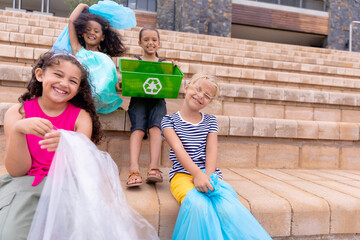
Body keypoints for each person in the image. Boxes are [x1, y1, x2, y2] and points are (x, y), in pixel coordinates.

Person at [0, 52, 102, 239]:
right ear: (40, 75)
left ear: (78, 89)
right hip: (26, 184)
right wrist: (18, 131)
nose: (64, 83)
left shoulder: (81, 117)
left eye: (73, 81)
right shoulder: (17, 113)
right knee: (11, 234)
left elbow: (79, 167)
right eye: (58, 74)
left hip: (66, 185)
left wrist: (69, 145)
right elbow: (17, 170)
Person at [161, 73, 272, 239]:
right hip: (182, 174)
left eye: (207, 95)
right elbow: (178, 149)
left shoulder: (210, 121)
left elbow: (211, 149)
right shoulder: (168, 120)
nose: (200, 96)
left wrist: (207, 175)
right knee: (199, 205)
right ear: (186, 88)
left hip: (210, 173)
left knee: (227, 207)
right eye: (197, 89)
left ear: (210, 102)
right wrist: (197, 174)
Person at [126, 26, 177, 187]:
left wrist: (174, 69)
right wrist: (122, 83)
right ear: (139, 43)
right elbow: (126, 82)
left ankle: (153, 167)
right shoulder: (135, 62)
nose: (150, 43)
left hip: (158, 100)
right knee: (138, 129)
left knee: (156, 128)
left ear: (159, 44)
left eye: (154, 40)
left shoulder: (164, 65)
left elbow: (170, 84)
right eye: (146, 40)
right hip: (138, 100)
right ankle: (134, 168)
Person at [68, 3, 126, 114]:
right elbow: (71, 22)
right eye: (88, 29)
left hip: (100, 99)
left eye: (96, 31)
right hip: (82, 97)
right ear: (83, 34)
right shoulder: (78, 50)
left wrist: (118, 85)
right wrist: (81, 6)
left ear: (102, 37)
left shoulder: (106, 58)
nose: (91, 33)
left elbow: (109, 79)